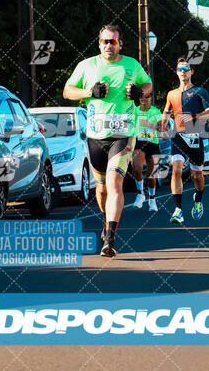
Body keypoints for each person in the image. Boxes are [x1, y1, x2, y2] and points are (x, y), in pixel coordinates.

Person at [63, 24, 152, 257]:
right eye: (105, 41)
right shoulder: (87, 66)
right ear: (99, 43)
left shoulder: (131, 65)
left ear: (120, 44)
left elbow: (148, 84)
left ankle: (110, 239)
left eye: (113, 41)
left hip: (123, 134)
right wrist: (89, 92)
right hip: (96, 135)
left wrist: (139, 93)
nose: (108, 45)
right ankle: (106, 221)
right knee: (101, 189)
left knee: (114, 183)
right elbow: (68, 91)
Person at [162, 57, 209, 223]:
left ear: (191, 72)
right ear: (177, 73)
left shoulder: (200, 91)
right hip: (178, 136)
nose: (183, 72)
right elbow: (166, 112)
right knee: (176, 169)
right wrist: (163, 126)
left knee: (197, 175)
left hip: (195, 135)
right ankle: (178, 210)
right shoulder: (172, 94)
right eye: (180, 69)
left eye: (186, 69)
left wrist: (195, 116)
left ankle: (198, 201)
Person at [133, 94, 163, 212]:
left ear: (151, 98)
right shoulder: (134, 110)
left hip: (152, 143)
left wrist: (149, 124)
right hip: (139, 142)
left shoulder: (156, 112)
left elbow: (161, 128)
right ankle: (140, 194)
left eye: (147, 96)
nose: (143, 98)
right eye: (141, 96)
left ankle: (152, 199)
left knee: (152, 175)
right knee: (137, 168)